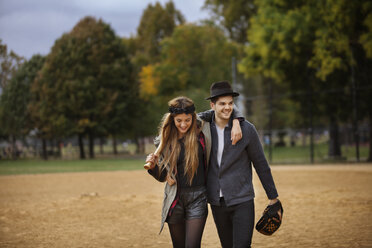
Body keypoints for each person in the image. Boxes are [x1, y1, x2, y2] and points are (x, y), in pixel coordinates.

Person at [145, 96, 242, 248]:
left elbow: (226, 109)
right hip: (175, 198)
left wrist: (236, 121)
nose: (183, 124)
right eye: (179, 121)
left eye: (187, 120)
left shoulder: (203, 129)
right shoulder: (165, 139)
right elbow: (163, 177)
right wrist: (153, 168)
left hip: (198, 197)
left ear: (193, 117)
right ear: (172, 119)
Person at [205, 81, 279, 248]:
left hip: (242, 199)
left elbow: (261, 164)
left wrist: (273, 197)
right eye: (222, 104)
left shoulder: (247, 130)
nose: (227, 107)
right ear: (212, 105)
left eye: (231, 103)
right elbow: (191, 118)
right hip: (217, 202)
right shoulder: (204, 129)